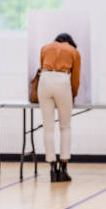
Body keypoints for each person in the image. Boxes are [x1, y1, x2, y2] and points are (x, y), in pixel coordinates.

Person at [38, 33, 81, 182]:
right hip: (63, 80)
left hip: (44, 80)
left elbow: (40, 68)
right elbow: (75, 79)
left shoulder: (45, 48)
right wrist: (73, 95)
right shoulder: (73, 51)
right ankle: (63, 167)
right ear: (70, 42)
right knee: (65, 127)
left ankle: (51, 167)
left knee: (48, 127)